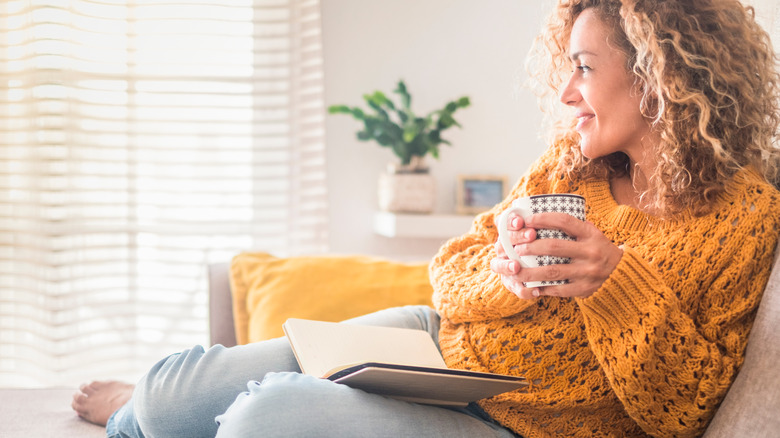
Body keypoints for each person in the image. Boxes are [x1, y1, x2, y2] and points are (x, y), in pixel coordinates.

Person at [73, 0, 780, 437]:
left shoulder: (745, 216)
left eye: (585, 68)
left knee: (263, 419)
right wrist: (505, 272)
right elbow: (450, 274)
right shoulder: (573, 165)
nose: (566, 92)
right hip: (434, 347)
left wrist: (614, 282)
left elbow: (685, 411)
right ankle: (143, 414)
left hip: (523, 427)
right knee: (170, 391)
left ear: (659, 76)